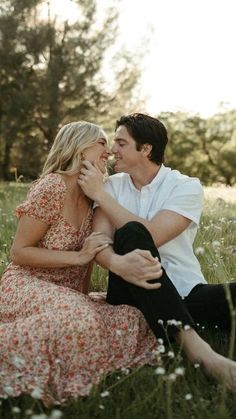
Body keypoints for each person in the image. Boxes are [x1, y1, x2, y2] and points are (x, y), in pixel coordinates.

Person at [0, 121, 163, 405]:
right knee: (79, 318)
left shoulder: (93, 196)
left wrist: (82, 295)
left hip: (66, 293)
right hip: (26, 283)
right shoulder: (53, 186)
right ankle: (27, 370)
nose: (109, 151)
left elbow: (87, 264)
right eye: (102, 142)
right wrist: (78, 257)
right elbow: (19, 252)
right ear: (79, 146)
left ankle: (67, 344)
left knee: (132, 319)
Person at [78, 112, 236, 390]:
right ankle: (200, 351)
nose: (113, 150)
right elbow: (100, 241)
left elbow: (153, 236)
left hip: (185, 290)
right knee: (129, 232)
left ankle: (173, 320)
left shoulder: (186, 186)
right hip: (129, 290)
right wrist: (116, 263)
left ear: (146, 148)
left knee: (229, 295)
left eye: (121, 143)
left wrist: (100, 195)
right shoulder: (111, 186)